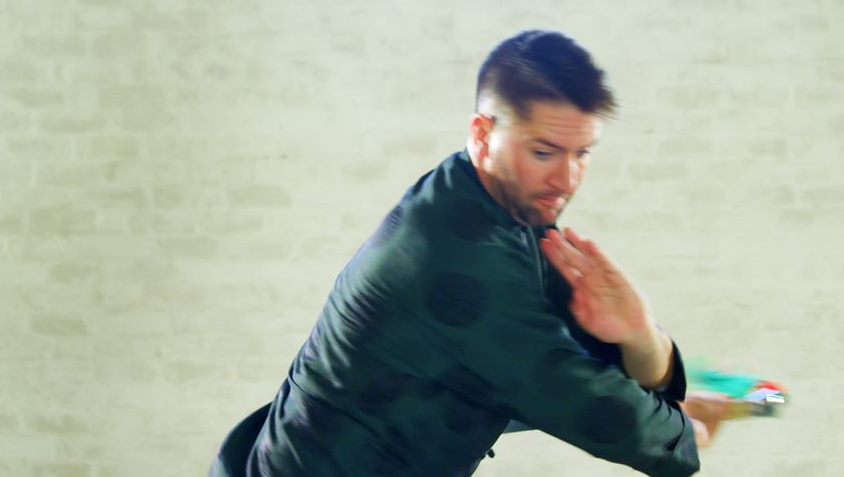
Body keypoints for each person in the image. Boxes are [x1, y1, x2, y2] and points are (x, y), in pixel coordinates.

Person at [210, 30, 727, 476]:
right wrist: (683, 431)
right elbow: (587, 403)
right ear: (482, 134)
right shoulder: (458, 259)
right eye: (544, 152)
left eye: (582, 154)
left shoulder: (495, 208)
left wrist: (639, 336)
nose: (566, 179)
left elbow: (574, 357)